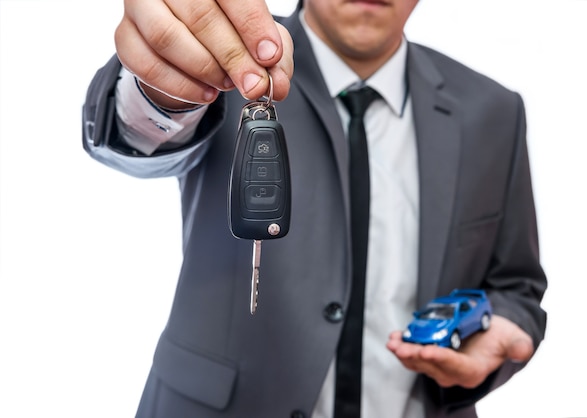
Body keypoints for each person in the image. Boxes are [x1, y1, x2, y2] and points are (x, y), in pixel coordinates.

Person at [82, 0, 548, 417]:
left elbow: (517, 285)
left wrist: (503, 332)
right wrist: (162, 87)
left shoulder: (493, 111)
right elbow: (136, 134)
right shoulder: (225, 59)